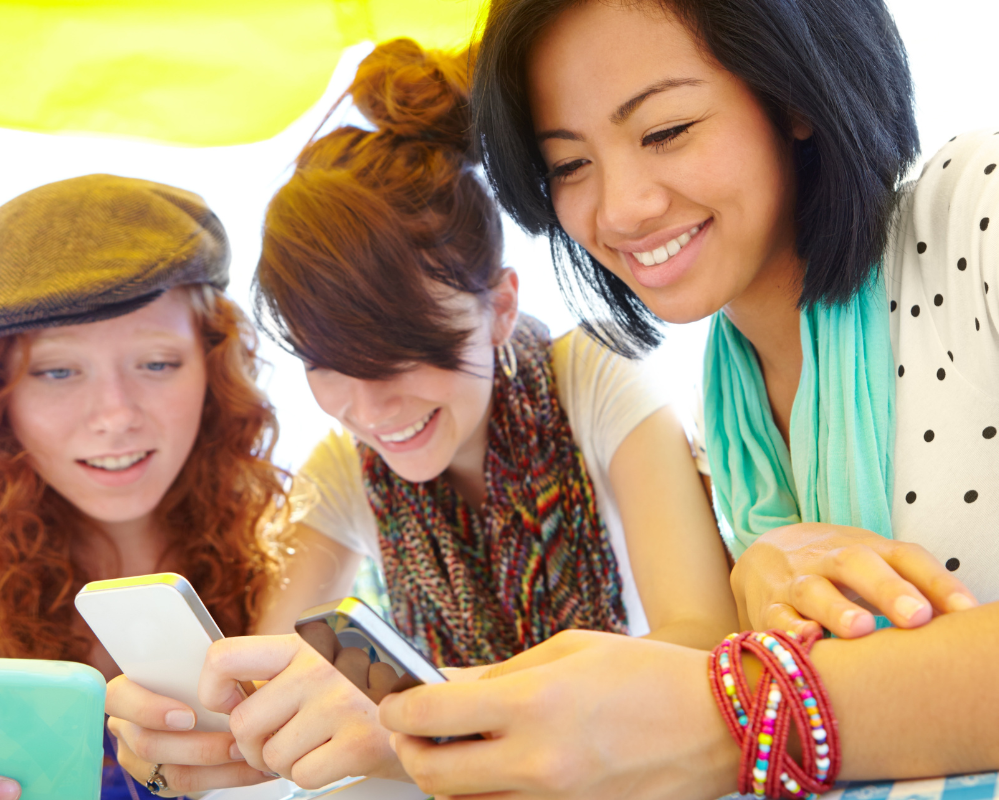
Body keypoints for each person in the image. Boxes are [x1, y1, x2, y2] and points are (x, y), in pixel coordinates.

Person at [363, 0, 999, 796]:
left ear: (794, 96)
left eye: (666, 130)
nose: (621, 208)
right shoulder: (729, 394)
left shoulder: (994, 210)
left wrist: (762, 706)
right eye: (570, 166)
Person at [103, 38, 736, 795]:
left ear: (499, 306)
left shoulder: (595, 381)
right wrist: (200, 743)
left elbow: (701, 643)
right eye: (329, 365)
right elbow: (263, 669)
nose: (371, 409)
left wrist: (407, 715)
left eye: (404, 354)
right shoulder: (344, 469)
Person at [0, 175, 335, 799]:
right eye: (58, 371)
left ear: (213, 370)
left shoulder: (293, 527)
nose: (116, 414)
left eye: (157, 363)